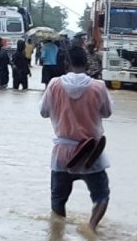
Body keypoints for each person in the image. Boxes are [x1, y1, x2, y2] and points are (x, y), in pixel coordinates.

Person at [40, 46, 113, 231]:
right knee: (101, 195)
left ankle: (58, 238)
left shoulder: (54, 84)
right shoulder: (99, 86)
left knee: (58, 200)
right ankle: (91, 228)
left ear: (66, 64)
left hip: (62, 153)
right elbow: (107, 112)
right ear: (87, 64)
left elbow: (43, 112)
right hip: (91, 153)